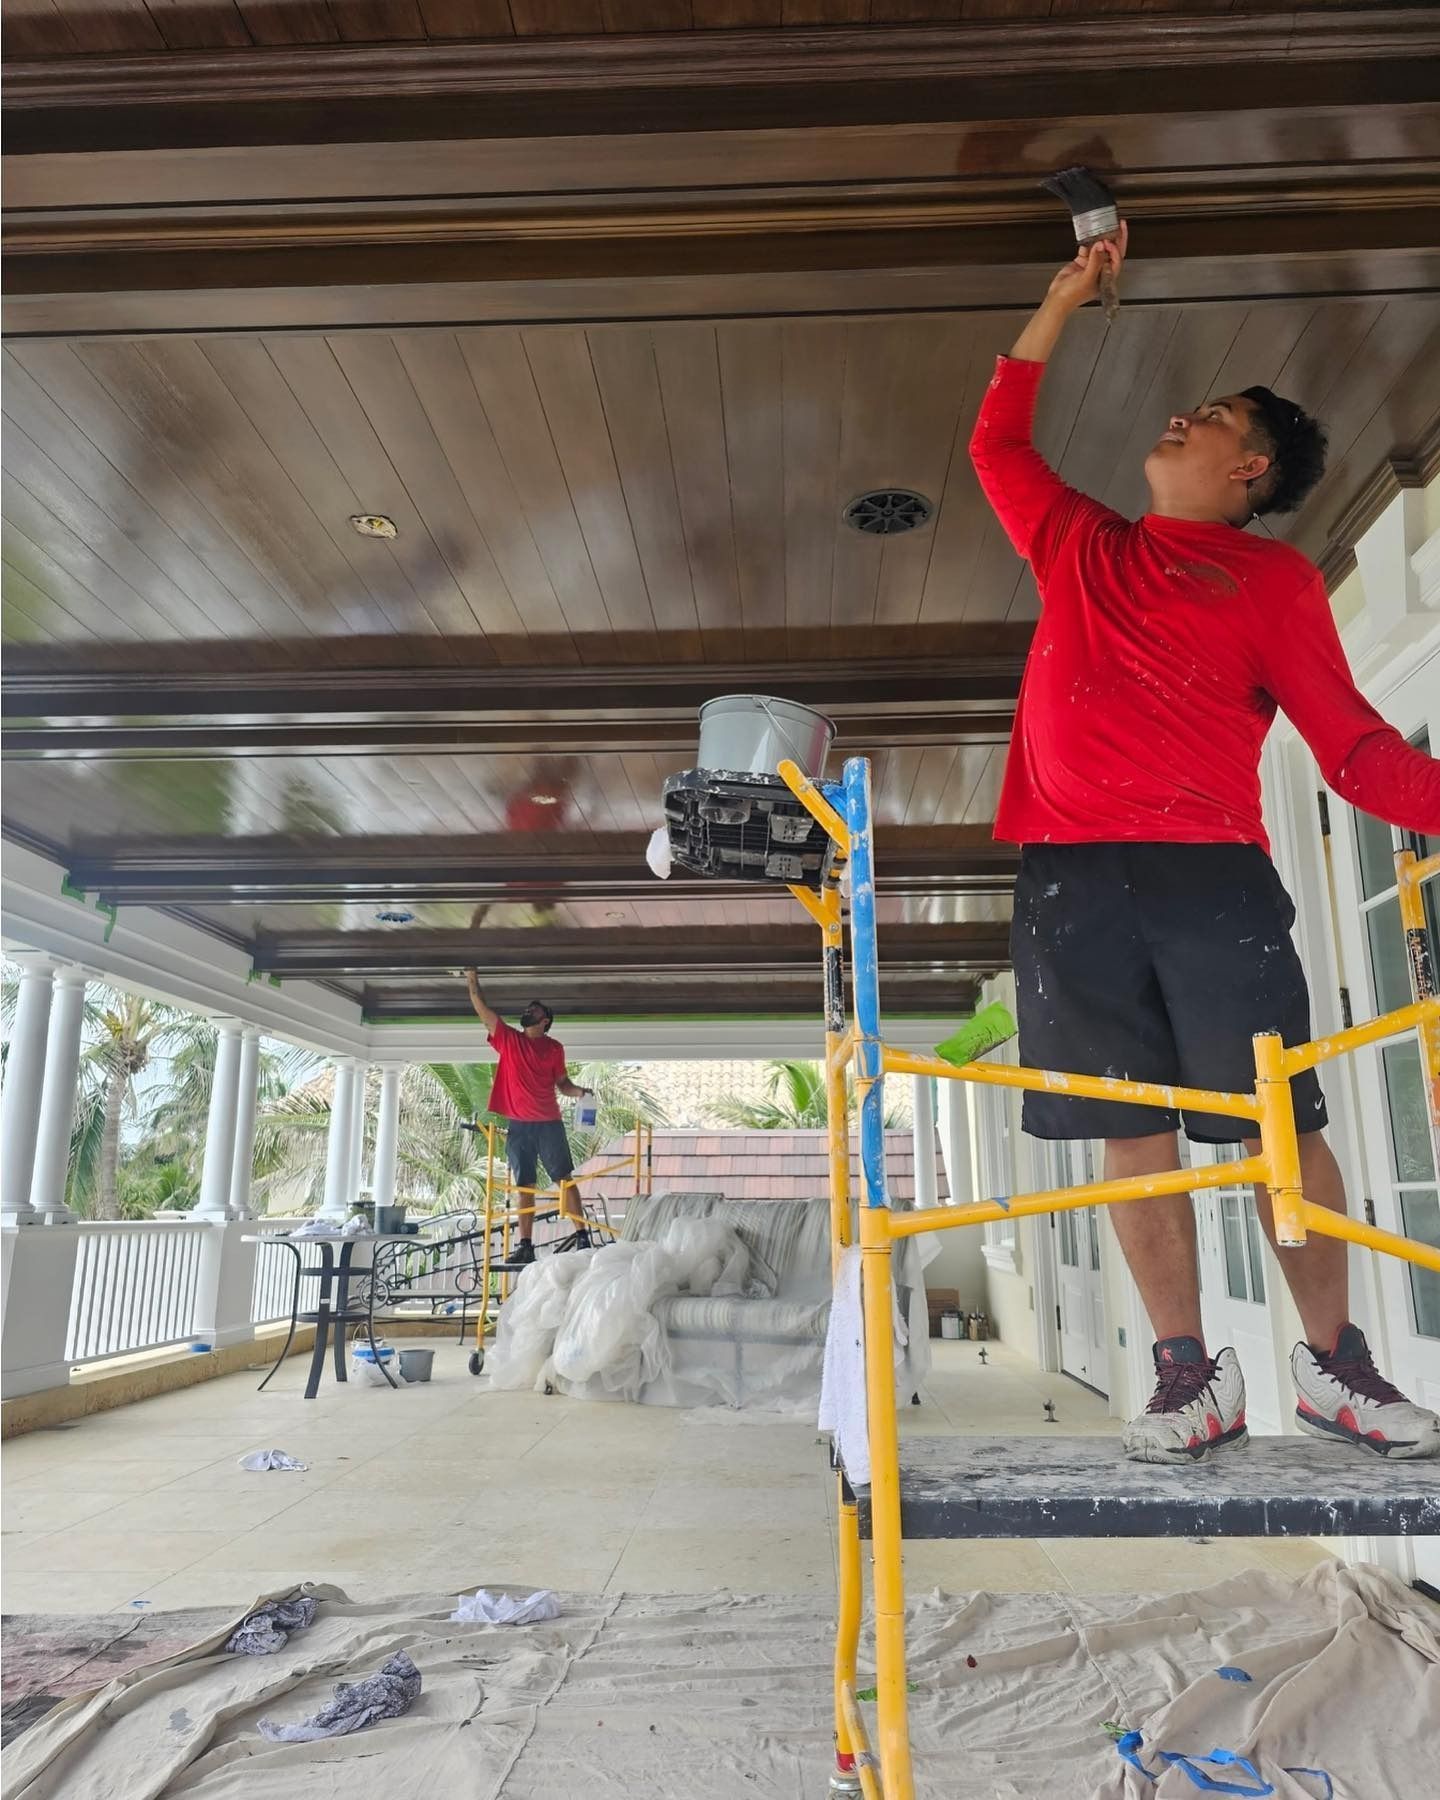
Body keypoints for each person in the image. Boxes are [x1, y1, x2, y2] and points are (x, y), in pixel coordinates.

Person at [970, 222, 1440, 1464]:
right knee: (1132, 1126)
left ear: (1252, 469)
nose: (1183, 416)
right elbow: (994, 443)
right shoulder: (1081, 545)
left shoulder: (1271, 581)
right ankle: (1189, 1377)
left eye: (1215, 416)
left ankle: (1339, 1371)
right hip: (1069, 878)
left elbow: (1355, 751)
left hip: (1207, 876)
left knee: (1271, 1125)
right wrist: (1062, 295)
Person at [464, 972, 595, 1265]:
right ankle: (525, 1245)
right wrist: (472, 979)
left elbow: (562, 1083)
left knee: (564, 1179)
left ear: (545, 1020)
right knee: (525, 1185)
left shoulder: (553, 1048)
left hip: (549, 1123)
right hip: (520, 1126)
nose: (527, 1011)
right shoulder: (509, 1039)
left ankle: (583, 1236)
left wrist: (580, 1092)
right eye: (527, 1009)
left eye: (534, 1010)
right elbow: (480, 1008)